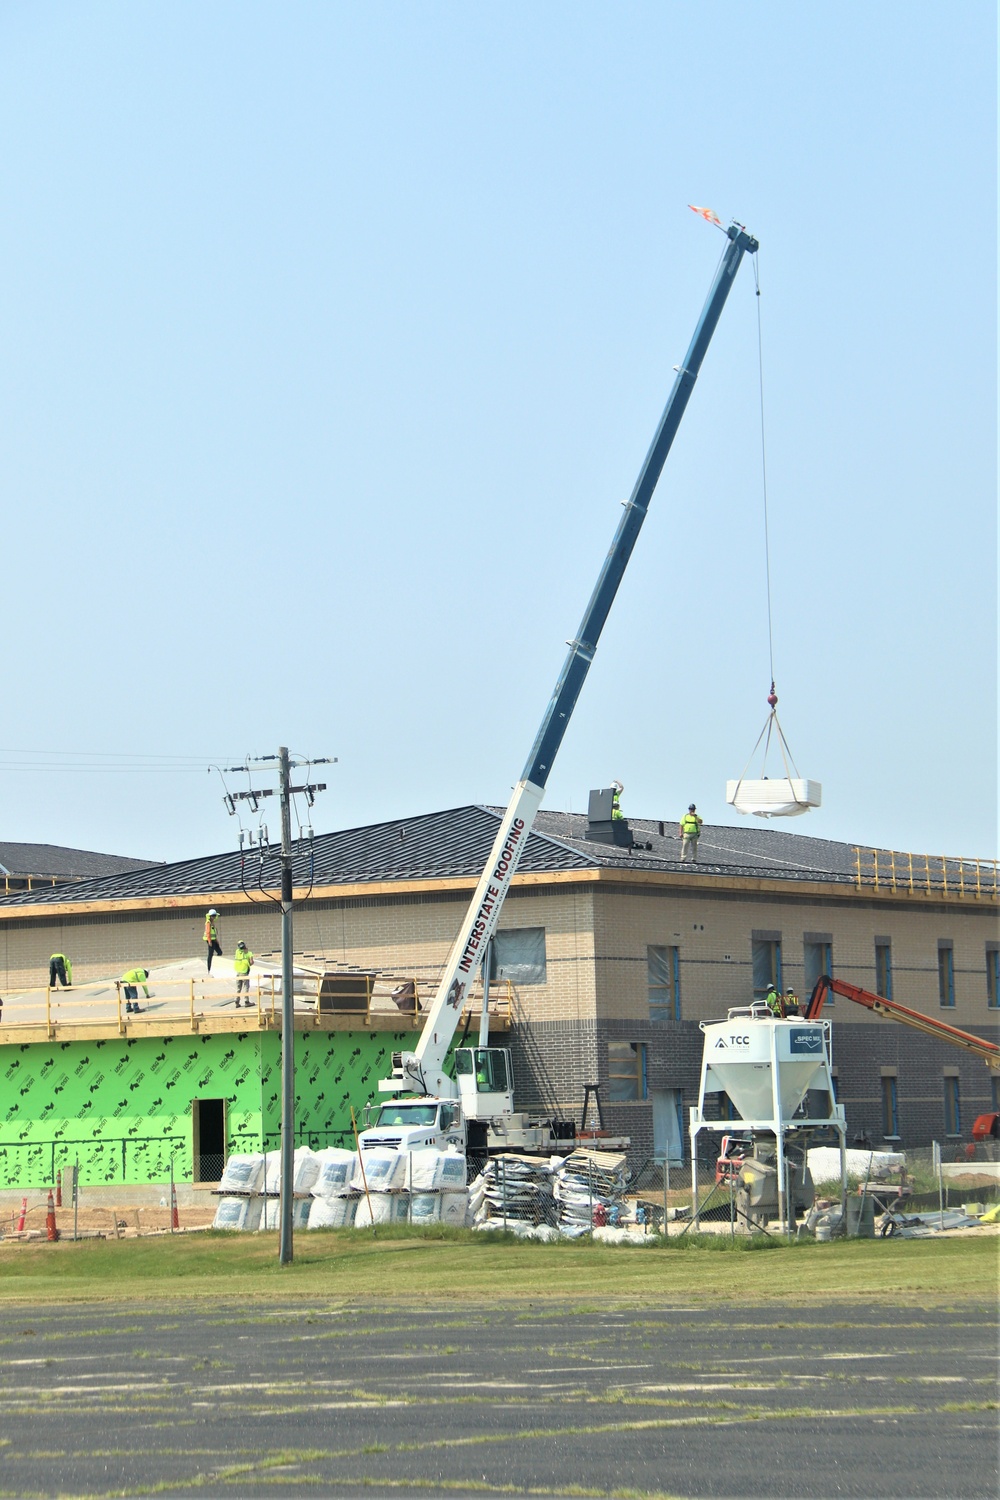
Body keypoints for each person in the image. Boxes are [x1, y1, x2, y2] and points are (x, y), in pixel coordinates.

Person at [233, 940, 254, 1007]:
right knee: (246, 987)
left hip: (238, 972)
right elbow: (251, 962)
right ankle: (246, 1001)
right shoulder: (249, 953)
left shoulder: (237, 952)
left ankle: (237, 1001)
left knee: (238, 988)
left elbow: (241, 951)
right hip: (244, 972)